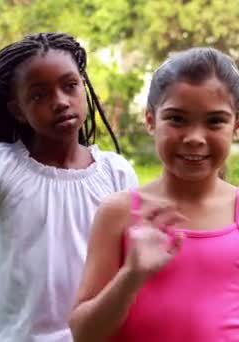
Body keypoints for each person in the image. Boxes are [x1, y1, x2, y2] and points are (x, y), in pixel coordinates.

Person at [0, 33, 138, 342]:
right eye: (39, 95)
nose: (60, 101)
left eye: (70, 86)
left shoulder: (117, 172)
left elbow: (130, 260)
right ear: (17, 109)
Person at [70, 47, 239, 342]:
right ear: (151, 120)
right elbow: (84, 334)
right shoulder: (119, 213)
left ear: (236, 126)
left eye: (215, 121)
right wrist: (132, 274)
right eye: (176, 119)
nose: (195, 138)